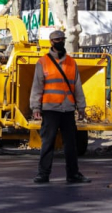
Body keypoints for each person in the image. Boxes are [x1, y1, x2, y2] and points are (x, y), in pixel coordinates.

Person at [30, 30, 91, 184]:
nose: (60, 41)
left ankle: (73, 174)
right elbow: (37, 86)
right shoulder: (43, 62)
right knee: (48, 143)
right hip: (50, 109)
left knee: (71, 144)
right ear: (51, 42)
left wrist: (81, 107)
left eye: (62, 39)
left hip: (68, 109)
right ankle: (43, 174)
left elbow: (77, 86)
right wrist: (36, 108)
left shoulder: (71, 62)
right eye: (57, 39)